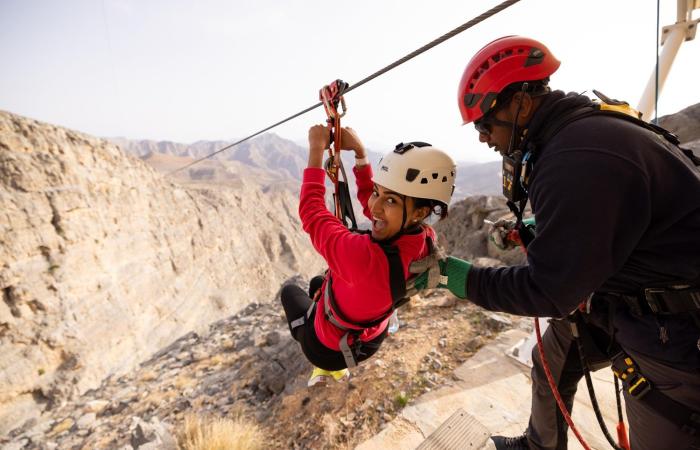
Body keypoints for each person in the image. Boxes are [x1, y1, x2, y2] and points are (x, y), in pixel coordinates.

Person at [410, 36, 700, 450]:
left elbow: (548, 292)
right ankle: (539, 444)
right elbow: (605, 213)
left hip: (676, 331)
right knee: (553, 359)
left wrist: (457, 277)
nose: (482, 137)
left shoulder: (573, 159)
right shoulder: (583, 132)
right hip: (637, 296)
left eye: (485, 123)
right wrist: (530, 226)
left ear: (522, 104)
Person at [280, 124, 456, 386]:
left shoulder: (361, 258)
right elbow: (372, 207)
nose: (375, 206)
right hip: (372, 336)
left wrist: (316, 148)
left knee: (290, 292)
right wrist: (360, 154)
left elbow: (311, 211)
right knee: (319, 284)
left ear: (419, 212)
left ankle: (326, 368)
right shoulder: (423, 238)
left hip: (328, 351)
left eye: (391, 200)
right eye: (378, 193)